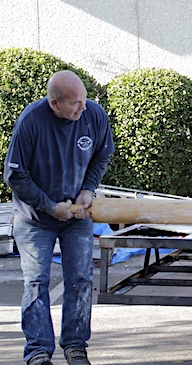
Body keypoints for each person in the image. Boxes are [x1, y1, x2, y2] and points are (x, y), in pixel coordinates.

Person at [4, 70, 114, 365]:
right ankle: (38, 351)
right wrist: (51, 207)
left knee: (79, 278)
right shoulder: (31, 122)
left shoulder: (93, 115)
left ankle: (75, 346)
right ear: (55, 104)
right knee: (37, 281)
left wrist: (89, 189)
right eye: (75, 103)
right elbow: (15, 175)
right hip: (33, 219)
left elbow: (102, 154)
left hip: (78, 216)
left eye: (85, 100)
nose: (83, 108)